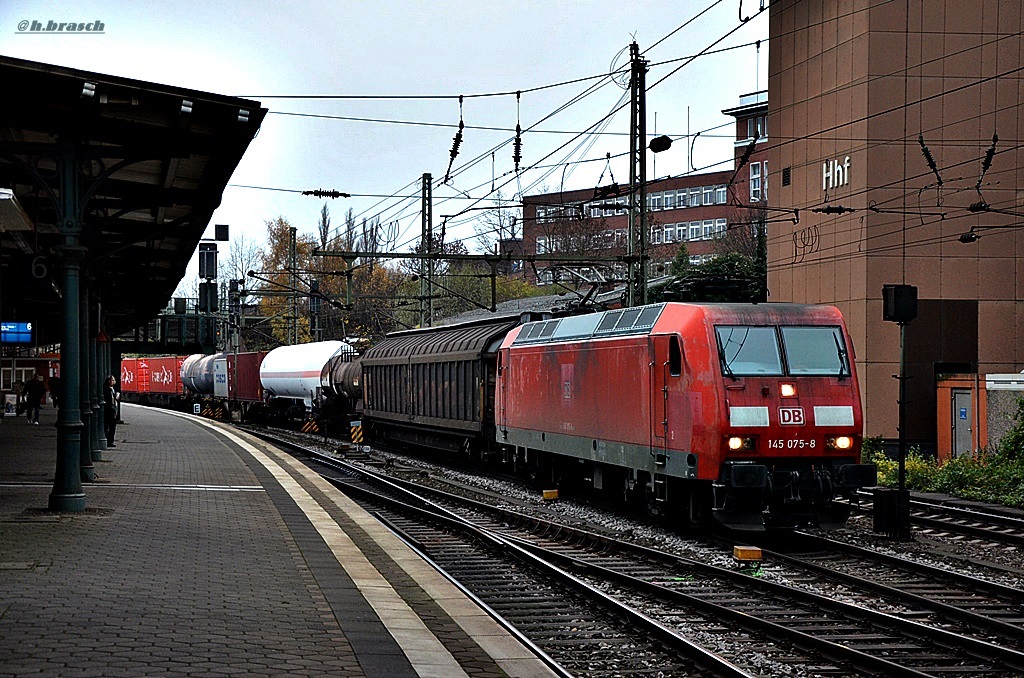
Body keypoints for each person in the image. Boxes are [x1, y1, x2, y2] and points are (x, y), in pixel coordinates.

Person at [103, 375, 118, 448]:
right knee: (109, 426)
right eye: (112, 380)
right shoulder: (107, 390)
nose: (113, 381)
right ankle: (109, 441)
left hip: (112, 410)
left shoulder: (112, 389)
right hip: (109, 410)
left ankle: (110, 441)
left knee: (112, 427)